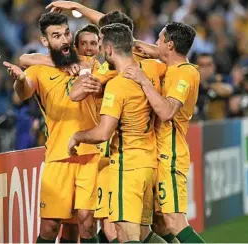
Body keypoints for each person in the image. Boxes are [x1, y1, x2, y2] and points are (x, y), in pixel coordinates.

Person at [3, 12, 102, 243]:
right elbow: (24, 87)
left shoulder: (85, 59)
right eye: (56, 36)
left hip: (89, 153)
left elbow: (26, 57)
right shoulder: (38, 70)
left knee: (87, 223)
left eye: (66, 33)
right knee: (50, 227)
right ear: (45, 41)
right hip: (58, 155)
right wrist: (19, 79)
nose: (65, 40)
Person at [68, 23, 162, 243]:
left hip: (127, 166)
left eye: (101, 46)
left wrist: (77, 136)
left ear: (109, 50)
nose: (100, 51)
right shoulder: (148, 73)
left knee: (127, 235)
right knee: (143, 233)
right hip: (148, 164)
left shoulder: (118, 85)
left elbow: (103, 132)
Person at [123, 21, 205, 243]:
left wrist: (143, 82)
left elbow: (167, 111)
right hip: (154, 154)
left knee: (173, 221)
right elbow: (122, 36)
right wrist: (79, 8)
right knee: (156, 223)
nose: (154, 43)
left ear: (169, 45)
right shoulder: (167, 65)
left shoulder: (185, 73)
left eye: (159, 39)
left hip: (170, 154)